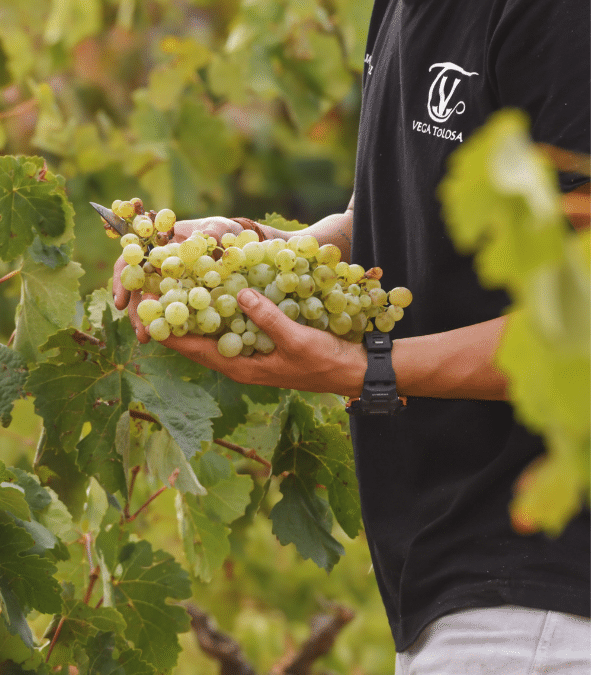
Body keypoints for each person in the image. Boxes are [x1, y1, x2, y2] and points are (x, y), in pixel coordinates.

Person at [113, 0, 590, 672]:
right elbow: (403, 204)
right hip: (459, 590)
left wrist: (369, 369)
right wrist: (260, 253)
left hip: (541, 596)